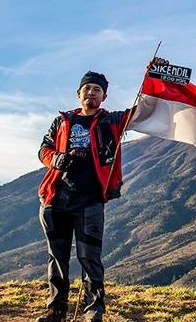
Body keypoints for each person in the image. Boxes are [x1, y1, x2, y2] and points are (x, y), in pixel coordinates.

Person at [35, 68, 143, 322]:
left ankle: (94, 310)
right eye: (87, 88)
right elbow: (43, 149)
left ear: (104, 97)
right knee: (57, 258)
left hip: (91, 201)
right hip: (56, 199)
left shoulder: (112, 121)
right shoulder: (62, 121)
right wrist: (57, 159)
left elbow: (142, 112)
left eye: (97, 90)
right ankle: (55, 311)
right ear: (78, 93)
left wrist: (153, 76)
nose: (91, 93)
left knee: (89, 257)